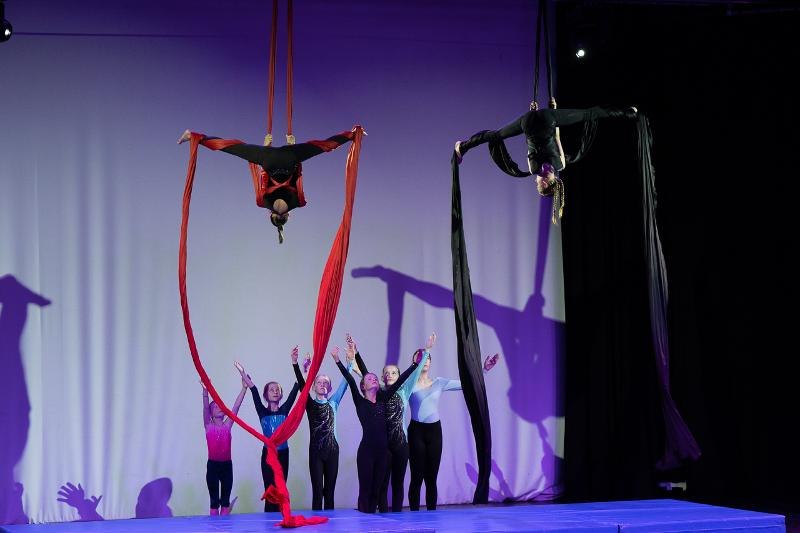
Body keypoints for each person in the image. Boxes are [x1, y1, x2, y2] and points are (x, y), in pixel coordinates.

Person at [455, 99, 637, 221]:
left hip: (543, 120)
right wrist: (539, 114)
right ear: (552, 181)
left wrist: (548, 112)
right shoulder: (538, 168)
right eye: (542, 182)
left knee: (590, 113)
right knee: (494, 136)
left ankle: (628, 113)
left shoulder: (559, 165)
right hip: (534, 121)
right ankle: (462, 146)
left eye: (539, 182)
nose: (539, 179)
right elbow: (532, 142)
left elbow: (554, 139)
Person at [177, 127, 358, 243]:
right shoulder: (263, 202)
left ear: (287, 216)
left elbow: (298, 177)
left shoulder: (298, 203)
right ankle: (195, 136)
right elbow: (262, 178)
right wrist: (265, 150)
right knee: (230, 148)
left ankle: (353, 134)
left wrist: (291, 147)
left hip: (290, 158)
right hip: (268, 160)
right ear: (270, 215)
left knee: (325, 146)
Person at [350, 332, 434, 512]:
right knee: (381, 484)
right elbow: (365, 374)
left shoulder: (404, 391)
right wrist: (356, 353)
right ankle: (382, 517)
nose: (390, 375)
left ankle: (397, 517)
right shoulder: (379, 394)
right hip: (384, 446)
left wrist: (426, 351)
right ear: (382, 377)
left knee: (398, 483)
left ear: (398, 374)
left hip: (401, 445)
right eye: (386, 373)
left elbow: (414, 372)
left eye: (394, 372)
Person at [407, 350, 500, 511]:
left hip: (434, 432)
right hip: (416, 431)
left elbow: (466, 384)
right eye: (421, 357)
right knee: (416, 477)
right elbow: (387, 387)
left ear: (430, 362)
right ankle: (414, 519)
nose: (425, 360)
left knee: (431, 478)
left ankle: (430, 517)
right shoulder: (409, 384)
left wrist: (484, 370)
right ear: (414, 362)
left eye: (428, 357)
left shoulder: (439, 382)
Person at [292, 348, 354, 510]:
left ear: (330, 387)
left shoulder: (334, 402)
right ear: (313, 387)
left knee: (330, 492)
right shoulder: (310, 404)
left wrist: (349, 362)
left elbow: (346, 382)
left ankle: (330, 525)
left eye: (326, 382)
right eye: (319, 382)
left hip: (333, 451)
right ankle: (316, 524)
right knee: (318, 491)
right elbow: (302, 386)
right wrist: (296, 364)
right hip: (316, 453)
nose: (322, 385)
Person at [237, 357, 299, 512]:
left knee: (281, 487)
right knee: (270, 487)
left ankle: (281, 516)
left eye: (277, 389)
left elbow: (296, 388)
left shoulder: (285, 410)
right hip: (268, 454)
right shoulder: (262, 411)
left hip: (283, 454)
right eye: (271, 389)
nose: (275, 391)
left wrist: (303, 368)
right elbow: (254, 389)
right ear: (266, 395)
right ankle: (269, 519)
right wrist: (242, 373)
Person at [202, 375, 247, 516]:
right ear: (210, 412)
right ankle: (214, 528)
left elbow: (236, 406)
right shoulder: (208, 425)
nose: (220, 407)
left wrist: (244, 388)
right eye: (215, 406)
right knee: (214, 501)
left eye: (220, 405)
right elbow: (205, 406)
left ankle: (225, 527)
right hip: (213, 466)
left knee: (225, 500)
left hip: (227, 466)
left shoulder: (228, 425)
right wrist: (205, 391)